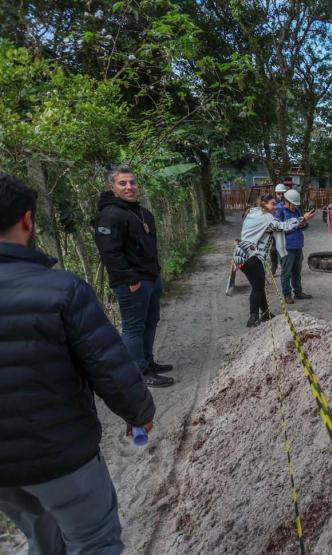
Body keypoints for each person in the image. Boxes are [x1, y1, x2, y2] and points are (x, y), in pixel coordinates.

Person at [0, 172, 155, 555]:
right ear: (27, 220)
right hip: (60, 454)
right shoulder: (61, 289)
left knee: (41, 536)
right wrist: (138, 412)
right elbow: (107, 362)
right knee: (94, 541)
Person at [93, 166, 174, 388]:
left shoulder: (138, 212)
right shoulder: (109, 215)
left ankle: (148, 362)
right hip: (132, 282)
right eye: (123, 183)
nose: (129, 187)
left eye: (132, 182)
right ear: (112, 187)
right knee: (133, 327)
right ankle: (139, 373)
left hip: (150, 277)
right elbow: (110, 253)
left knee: (151, 321)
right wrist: (130, 279)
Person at [233, 193, 315, 327]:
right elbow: (284, 226)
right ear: (264, 204)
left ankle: (265, 314)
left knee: (259, 286)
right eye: (273, 204)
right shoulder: (265, 217)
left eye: (276, 204)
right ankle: (253, 318)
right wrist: (303, 218)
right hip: (251, 256)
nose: (275, 207)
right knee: (257, 288)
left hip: (243, 254)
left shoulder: (254, 213)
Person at [277, 189, 311, 304]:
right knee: (286, 273)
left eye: (297, 205)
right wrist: (297, 224)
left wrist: (304, 224)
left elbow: (302, 226)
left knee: (297, 271)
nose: (295, 207)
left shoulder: (297, 210)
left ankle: (298, 292)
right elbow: (279, 229)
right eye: (294, 205)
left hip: (297, 246)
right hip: (286, 248)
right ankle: (287, 294)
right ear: (287, 202)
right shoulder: (280, 211)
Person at [269, 183, 287, 276]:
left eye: (282, 193)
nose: (280, 195)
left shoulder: (287, 203)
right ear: (276, 193)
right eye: (279, 194)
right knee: (273, 250)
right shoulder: (273, 203)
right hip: (274, 229)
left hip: (284, 229)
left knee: (283, 249)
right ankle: (274, 267)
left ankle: (285, 268)